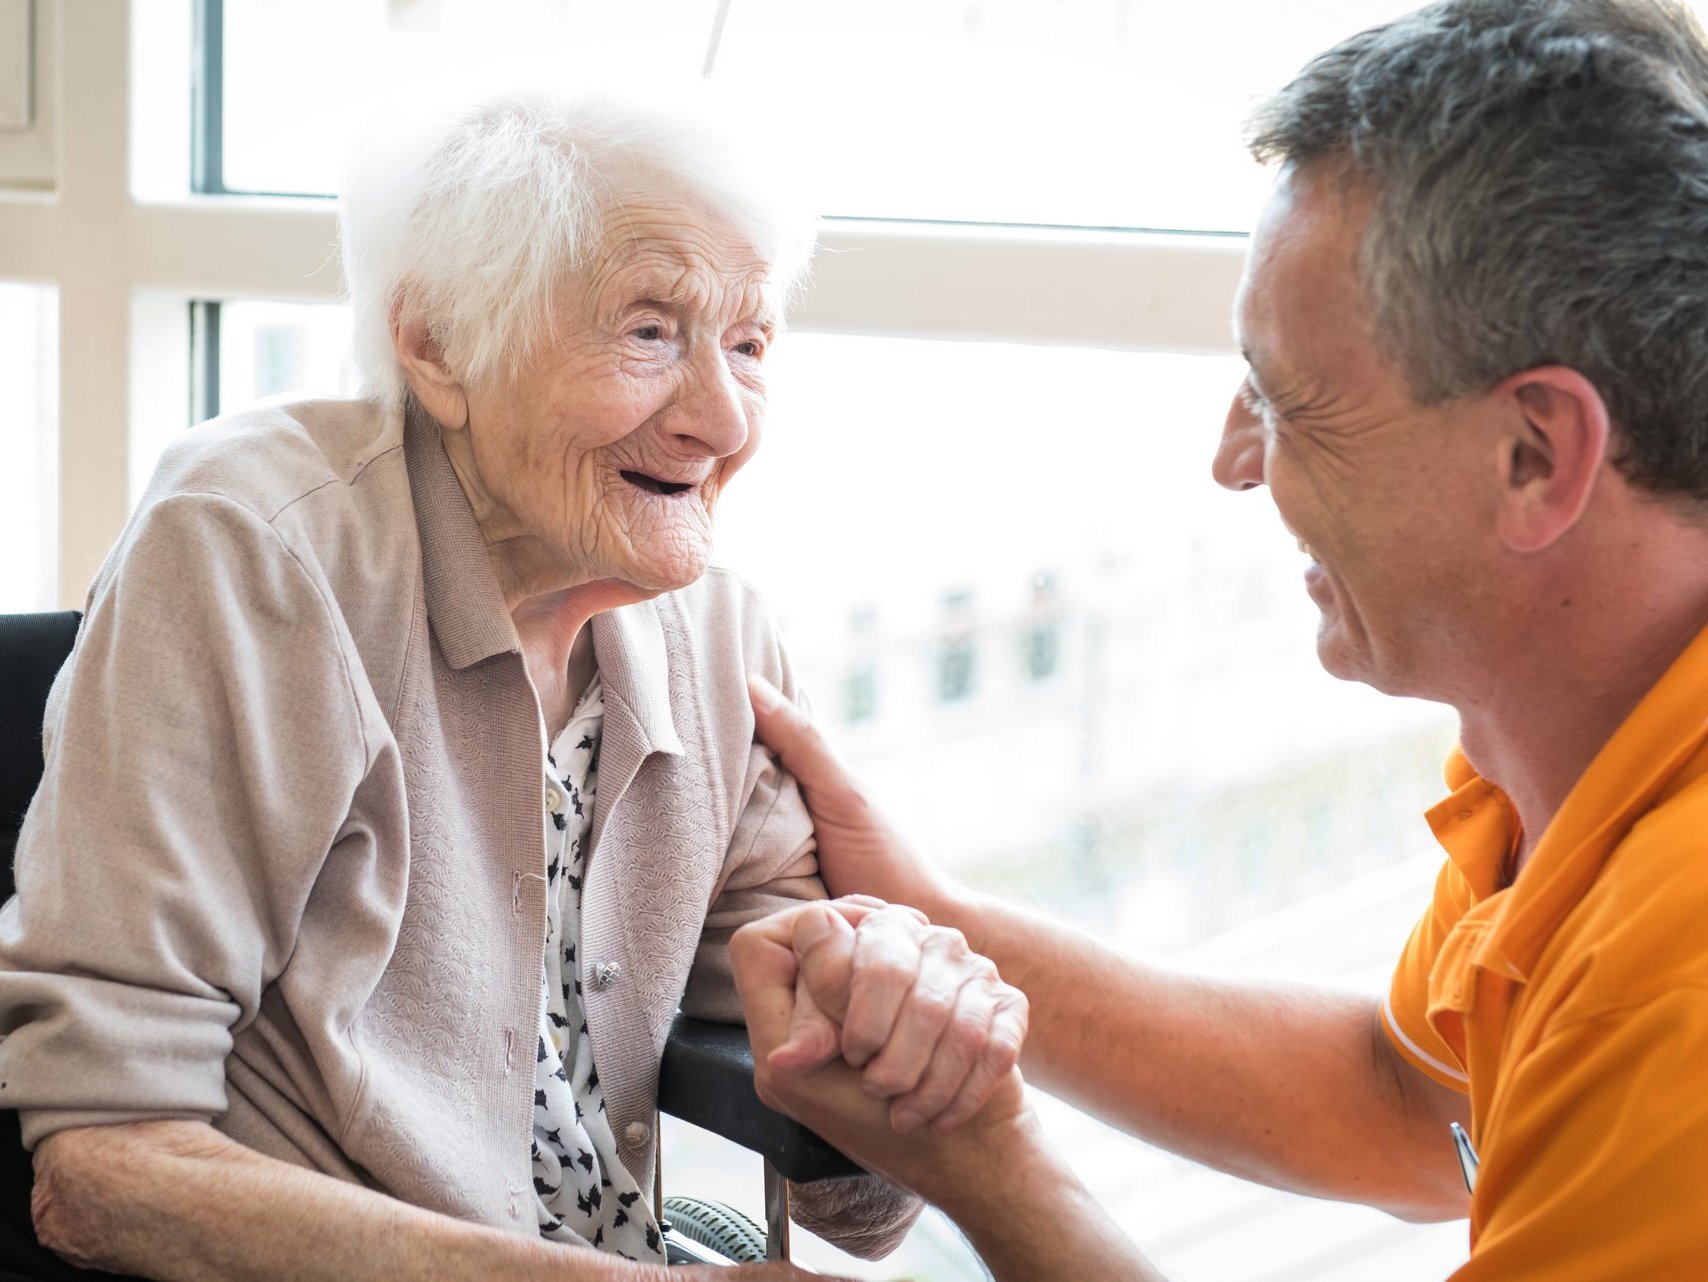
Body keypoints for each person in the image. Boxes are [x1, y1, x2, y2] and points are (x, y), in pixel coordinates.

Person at [727, 0, 1708, 1278]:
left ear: (1535, 455)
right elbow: (1414, 1108)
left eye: (1285, 400)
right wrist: (935, 914)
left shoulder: (1673, 985)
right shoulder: (1578, 730)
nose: (1233, 462)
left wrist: (988, 1162)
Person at [0, 86, 1021, 1282]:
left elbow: (856, 1205)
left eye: (749, 343)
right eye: (649, 332)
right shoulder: (255, 551)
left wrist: (909, 1038)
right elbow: (100, 1170)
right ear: (434, 346)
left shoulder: (719, 635)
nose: (720, 420)